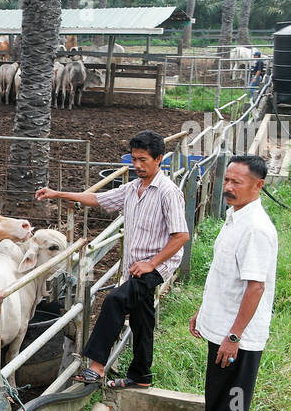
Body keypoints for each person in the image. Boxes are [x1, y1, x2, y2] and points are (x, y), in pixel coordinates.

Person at [36, 129, 189, 389]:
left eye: (144, 160)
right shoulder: (132, 188)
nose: (137, 165)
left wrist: (152, 264)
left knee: (114, 300)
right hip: (135, 264)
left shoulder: (167, 192)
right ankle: (141, 376)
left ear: (159, 159)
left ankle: (96, 366)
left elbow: (181, 235)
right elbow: (96, 198)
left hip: (155, 266)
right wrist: (58, 194)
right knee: (142, 319)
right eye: (134, 159)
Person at [169, 155, 277, 411]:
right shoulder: (235, 216)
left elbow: (255, 288)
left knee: (233, 400)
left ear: (258, 186)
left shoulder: (256, 229)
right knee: (217, 391)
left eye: (236, 183)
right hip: (222, 325)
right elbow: (225, 276)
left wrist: (234, 336)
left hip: (238, 336)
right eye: (226, 180)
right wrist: (205, 313)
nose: (228, 188)